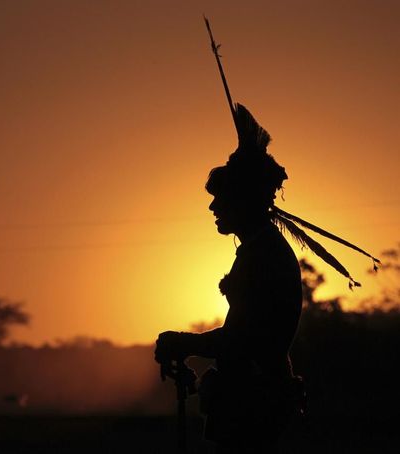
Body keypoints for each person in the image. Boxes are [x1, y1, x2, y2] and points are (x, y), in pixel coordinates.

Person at [154, 104, 376, 453]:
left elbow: (241, 342)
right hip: (253, 403)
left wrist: (181, 342)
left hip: (254, 410)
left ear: (243, 200)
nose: (213, 208)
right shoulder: (259, 251)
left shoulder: (264, 257)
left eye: (221, 199)